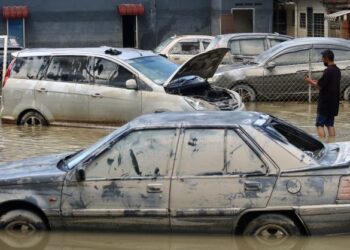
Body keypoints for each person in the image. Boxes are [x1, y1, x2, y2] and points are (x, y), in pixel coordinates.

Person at [304, 49, 341, 138]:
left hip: (325, 103)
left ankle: (323, 144)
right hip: (334, 103)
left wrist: (309, 81)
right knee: (330, 125)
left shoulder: (328, 70)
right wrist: (314, 81)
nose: (322, 60)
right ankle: (332, 143)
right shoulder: (337, 70)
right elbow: (327, 83)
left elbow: (320, 86)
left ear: (327, 58)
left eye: (323, 58)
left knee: (319, 124)